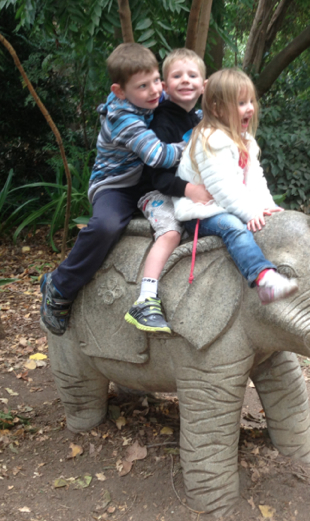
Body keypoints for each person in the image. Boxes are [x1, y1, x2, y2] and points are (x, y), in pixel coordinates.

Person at [40, 43, 186, 336]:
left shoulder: (149, 99)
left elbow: (178, 94)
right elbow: (158, 155)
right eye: (143, 85)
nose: (155, 89)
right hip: (116, 186)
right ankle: (60, 285)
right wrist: (193, 146)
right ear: (120, 91)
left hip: (144, 183)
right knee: (107, 225)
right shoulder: (124, 119)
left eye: (157, 80)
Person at [173, 68, 298, 304]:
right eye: (241, 103)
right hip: (201, 209)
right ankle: (263, 278)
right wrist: (250, 212)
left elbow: (255, 179)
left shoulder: (244, 140)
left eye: (250, 101)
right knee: (232, 225)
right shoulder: (210, 139)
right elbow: (222, 188)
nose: (250, 107)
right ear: (218, 108)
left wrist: (266, 206)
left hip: (225, 204)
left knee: (264, 220)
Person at [124, 48, 211, 333]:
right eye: (177, 75)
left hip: (185, 190)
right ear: (165, 85)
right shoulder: (163, 120)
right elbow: (159, 177)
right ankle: (146, 298)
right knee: (172, 230)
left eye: (192, 75)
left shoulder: (198, 119)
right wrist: (190, 189)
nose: (185, 80)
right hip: (156, 192)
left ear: (204, 84)